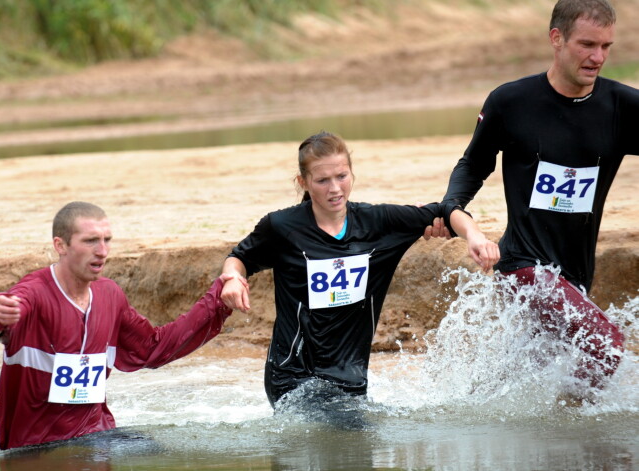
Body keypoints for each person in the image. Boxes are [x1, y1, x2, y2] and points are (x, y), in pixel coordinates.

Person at [430, 0, 638, 397]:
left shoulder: (623, 107)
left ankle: (471, 415)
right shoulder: (512, 102)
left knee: (524, 383)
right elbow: (473, 165)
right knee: (605, 345)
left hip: (576, 274)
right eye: (587, 44)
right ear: (556, 39)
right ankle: (575, 427)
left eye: (607, 46)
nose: (598, 57)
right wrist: (452, 208)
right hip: (522, 267)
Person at [220, 131, 500, 407]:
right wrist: (233, 277)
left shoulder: (377, 223)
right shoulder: (281, 227)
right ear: (303, 182)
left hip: (349, 379)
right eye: (322, 180)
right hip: (290, 376)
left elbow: (445, 211)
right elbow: (239, 257)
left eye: (341, 177)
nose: (334, 188)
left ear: (352, 174)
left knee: (352, 439)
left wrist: (475, 237)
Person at [0, 201, 236, 450]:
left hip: (96, 437)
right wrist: (0, 314)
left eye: (107, 240)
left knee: (160, 449)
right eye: (91, 240)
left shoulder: (110, 295)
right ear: (60, 245)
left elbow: (154, 347)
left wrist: (217, 301)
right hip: (36, 451)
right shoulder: (34, 292)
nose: (102, 251)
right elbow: (5, 314)